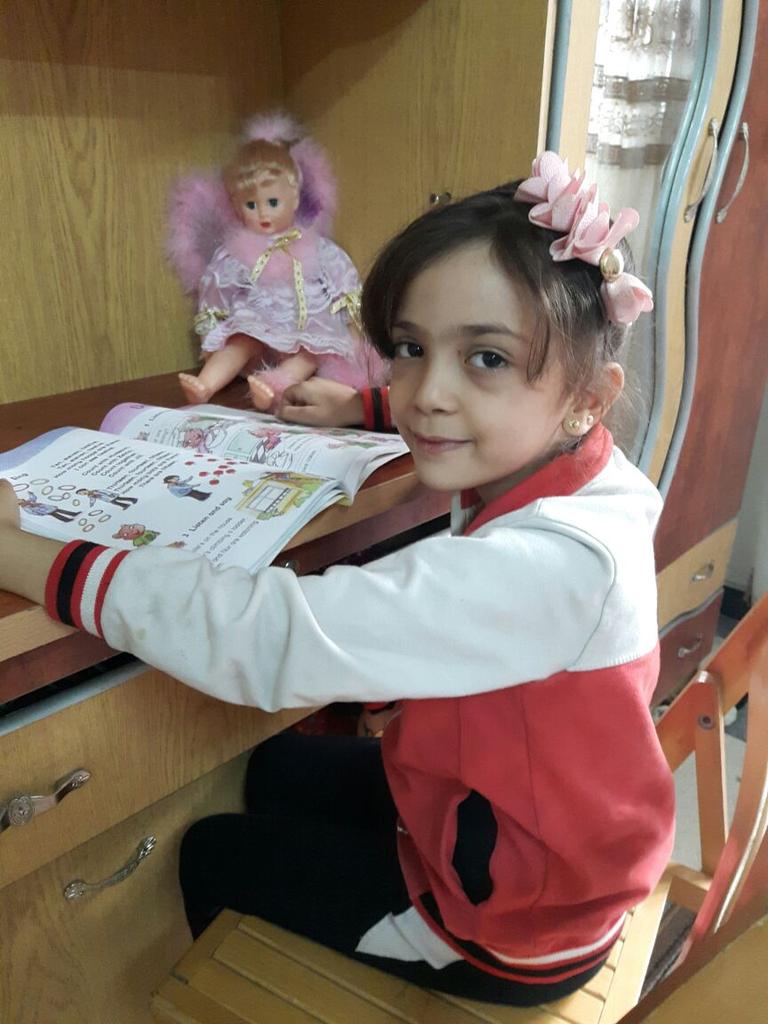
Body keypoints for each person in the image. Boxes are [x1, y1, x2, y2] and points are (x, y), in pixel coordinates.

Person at [0, 153, 672, 1007]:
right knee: (273, 767)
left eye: (487, 358)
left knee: (211, 851)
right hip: (511, 810)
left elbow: (262, 639)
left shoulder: (550, 570)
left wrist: (18, 554)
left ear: (590, 396)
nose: (426, 394)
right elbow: (450, 410)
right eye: (409, 349)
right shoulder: (584, 475)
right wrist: (365, 408)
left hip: (514, 920)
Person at [171, 112, 387, 411]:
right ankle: (206, 384)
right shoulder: (237, 251)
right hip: (259, 324)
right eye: (251, 204)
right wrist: (213, 322)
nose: (263, 213)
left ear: (295, 199)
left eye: (273, 202)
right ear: (237, 206)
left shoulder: (315, 246)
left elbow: (342, 276)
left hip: (308, 324)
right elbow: (216, 286)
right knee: (241, 341)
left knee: (312, 352)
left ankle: (276, 384)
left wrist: (352, 319)